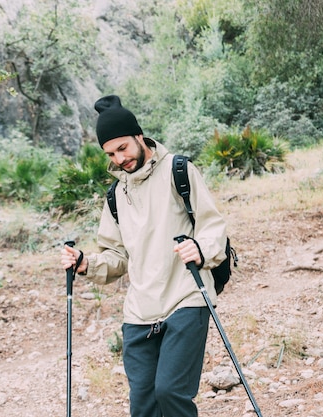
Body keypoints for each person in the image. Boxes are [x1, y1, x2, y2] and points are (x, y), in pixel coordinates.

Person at [61, 94, 228, 417]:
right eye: (110, 153)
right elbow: (116, 256)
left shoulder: (178, 171)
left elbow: (212, 227)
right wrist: (85, 263)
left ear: (139, 136)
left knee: (170, 392)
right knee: (143, 403)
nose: (119, 158)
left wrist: (201, 249)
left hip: (186, 297)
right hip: (139, 312)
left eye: (122, 147)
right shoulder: (116, 195)